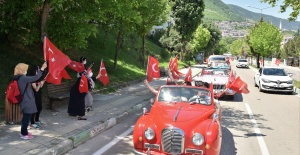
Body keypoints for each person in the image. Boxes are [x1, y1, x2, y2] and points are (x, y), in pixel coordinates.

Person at [14, 62, 47, 140]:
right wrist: (42, 68)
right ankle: (24, 134)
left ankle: (24, 131)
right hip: (26, 101)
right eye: (25, 70)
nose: (26, 71)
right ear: (21, 70)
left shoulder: (19, 77)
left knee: (26, 117)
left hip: (26, 100)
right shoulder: (22, 78)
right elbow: (35, 77)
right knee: (26, 118)